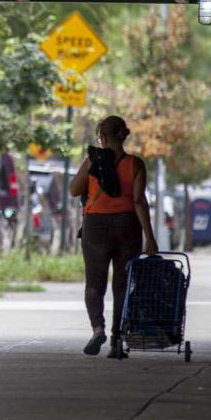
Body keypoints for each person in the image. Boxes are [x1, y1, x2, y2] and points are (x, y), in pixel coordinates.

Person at [68, 115, 159, 359]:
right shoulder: (135, 164)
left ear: (103, 136)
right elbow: (139, 201)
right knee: (122, 284)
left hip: (95, 226)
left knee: (94, 283)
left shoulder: (93, 161)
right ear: (124, 134)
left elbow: (74, 190)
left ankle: (98, 329)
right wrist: (149, 237)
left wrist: (90, 171)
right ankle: (117, 340)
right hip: (127, 227)